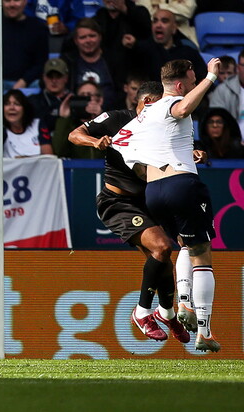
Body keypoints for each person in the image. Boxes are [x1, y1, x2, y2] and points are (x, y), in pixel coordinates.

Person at [112, 57, 222, 352]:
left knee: (184, 245)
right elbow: (184, 107)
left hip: (153, 191)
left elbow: (118, 144)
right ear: (179, 84)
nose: (192, 84)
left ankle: (183, 303)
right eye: (191, 80)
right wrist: (211, 78)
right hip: (181, 184)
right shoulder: (175, 103)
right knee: (201, 252)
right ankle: (204, 330)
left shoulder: (142, 117)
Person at [68, 81, 191, 344]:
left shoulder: (162, 126)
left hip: (150, 199)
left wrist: (194, 153)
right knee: (161, 247)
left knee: (162, 259)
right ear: (147, 103)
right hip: (118, 202)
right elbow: (73, 134)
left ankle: (167, 313)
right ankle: (143, 311)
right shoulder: (116, 119)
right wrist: (95, 141)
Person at [131, 9, 206, 83]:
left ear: (174, 28)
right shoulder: (141, 50)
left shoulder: (188, 53)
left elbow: (203, 80)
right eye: (155, 21)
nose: (158, 25)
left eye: (164, 21)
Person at [92, 0, 151, 64]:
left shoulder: (139, 12)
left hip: (135, 66)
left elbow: (146, 30)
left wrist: (124, 9)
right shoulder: (98, 17)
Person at [1, 0, 48, 90]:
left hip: (27, 84)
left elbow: (41, 64)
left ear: (25, 1)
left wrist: (23, 82)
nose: (12, 4)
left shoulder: (38, 28)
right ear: (1, 1)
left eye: (16, 0)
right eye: (7, 0)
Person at [3, 88, 52, 157]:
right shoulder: (0, 130)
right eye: (7, 104)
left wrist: (25, 160)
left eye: (17, 104)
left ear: (25, 109)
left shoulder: (38, 124)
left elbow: (49, 158)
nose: (12, 107)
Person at [29, 57, 71, 131]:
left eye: (58, 76)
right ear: (44, 78)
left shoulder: (73, 100)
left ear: (66, 78)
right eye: (50, 76)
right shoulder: (33, 101)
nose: (54, 81)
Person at [206, 50, 244, 131]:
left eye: (229, 73)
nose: (226, 77)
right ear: (238, 68)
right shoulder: (221, 91)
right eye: (222, 73)